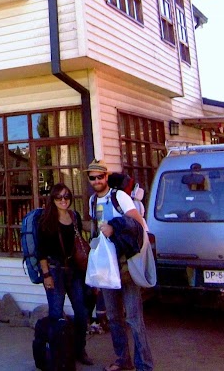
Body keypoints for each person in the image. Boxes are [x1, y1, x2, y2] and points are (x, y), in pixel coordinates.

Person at [86, 159, 154, 371]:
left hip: (125, 265)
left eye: (100, 176)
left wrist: (115, 227)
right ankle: (123, 360)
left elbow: (137, 223)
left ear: (106, 177)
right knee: (114, 318)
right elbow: (96, 230)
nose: (97, 181)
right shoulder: (91, 201)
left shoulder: (119, 197)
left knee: (133, 318)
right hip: (106, 268)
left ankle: (145, 364)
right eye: (93, 177)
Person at [36, 183, 93, 366]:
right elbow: (41, 252)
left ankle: (79, 350)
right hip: (55, 270)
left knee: (82, 312)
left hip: (74, 270)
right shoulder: (46, 221)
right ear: (52, 199)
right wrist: (46, 276)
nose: (63, 200)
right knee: (56, 314)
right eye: (59, 197)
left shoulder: (74, 216)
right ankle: (57, 354)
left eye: (66, 196)